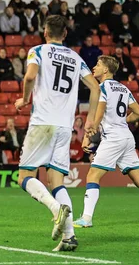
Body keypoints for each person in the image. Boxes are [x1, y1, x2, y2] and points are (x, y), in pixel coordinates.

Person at [14, 15, 101, 252]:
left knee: (24, 176)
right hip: (65, 126)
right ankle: (70, 236)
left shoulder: (38, 51)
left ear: (44, 32)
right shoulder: (75, 57)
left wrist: (24, 98)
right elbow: (94, 86)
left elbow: (30, 76)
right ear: (64, 34)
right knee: (56, 181)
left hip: (43, 122)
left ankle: (56, 210)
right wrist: (91, 119)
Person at [73, 56, 139, 228]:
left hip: (113, 138)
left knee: (93, 176)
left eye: (98, 65)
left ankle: (86, 218)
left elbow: (100, 113)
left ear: (105, 70)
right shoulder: (123, 88)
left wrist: (88, 135)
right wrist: (123, 120)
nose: (94, 67)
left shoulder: (102, 87)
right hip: (126, 137)